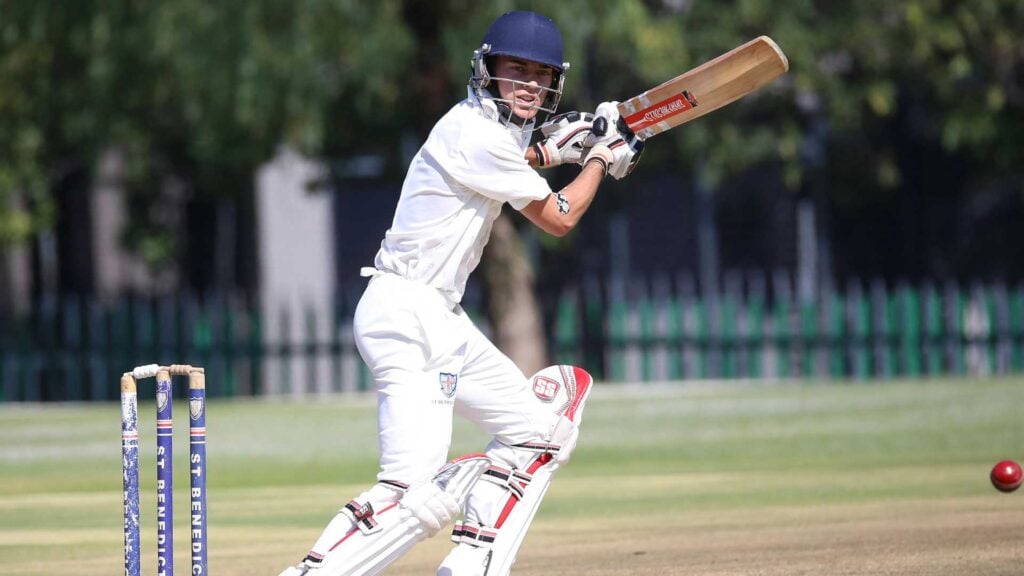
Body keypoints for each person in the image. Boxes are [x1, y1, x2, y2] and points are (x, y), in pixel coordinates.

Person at [278, 10, 642, 576]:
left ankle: (473, 561)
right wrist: (598, 157)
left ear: (554, 83)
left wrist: (560, 149)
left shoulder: (488, 136)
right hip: (407, 314)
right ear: (488, 71)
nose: (528, 84)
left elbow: (516, 159)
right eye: (514, 70)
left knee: (543, 433)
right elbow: (560, 216)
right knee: (411, 492)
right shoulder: (471, 131)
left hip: (437, 318)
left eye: (540, 75)